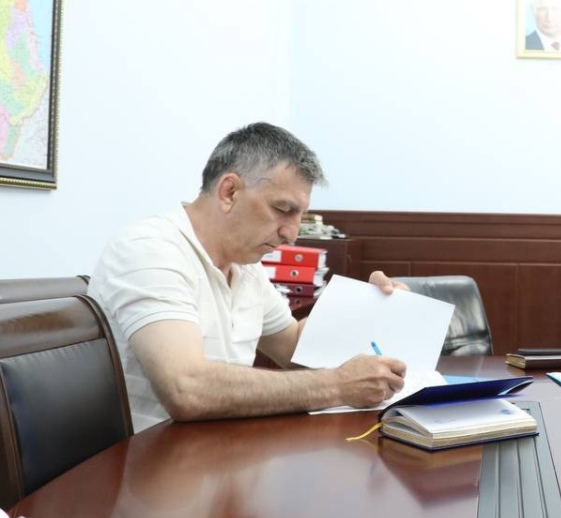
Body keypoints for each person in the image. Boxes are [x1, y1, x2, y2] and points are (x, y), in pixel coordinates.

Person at [89, 122, 409, 433]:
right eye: (282, 210)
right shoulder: (149, 248)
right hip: (150, 459)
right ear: (229, 191)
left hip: (222, 450)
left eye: (300, 215)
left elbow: (294, 348)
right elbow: (186, 389)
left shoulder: (245, 267)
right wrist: (337, 386)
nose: (292, 234)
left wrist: (365, 307)